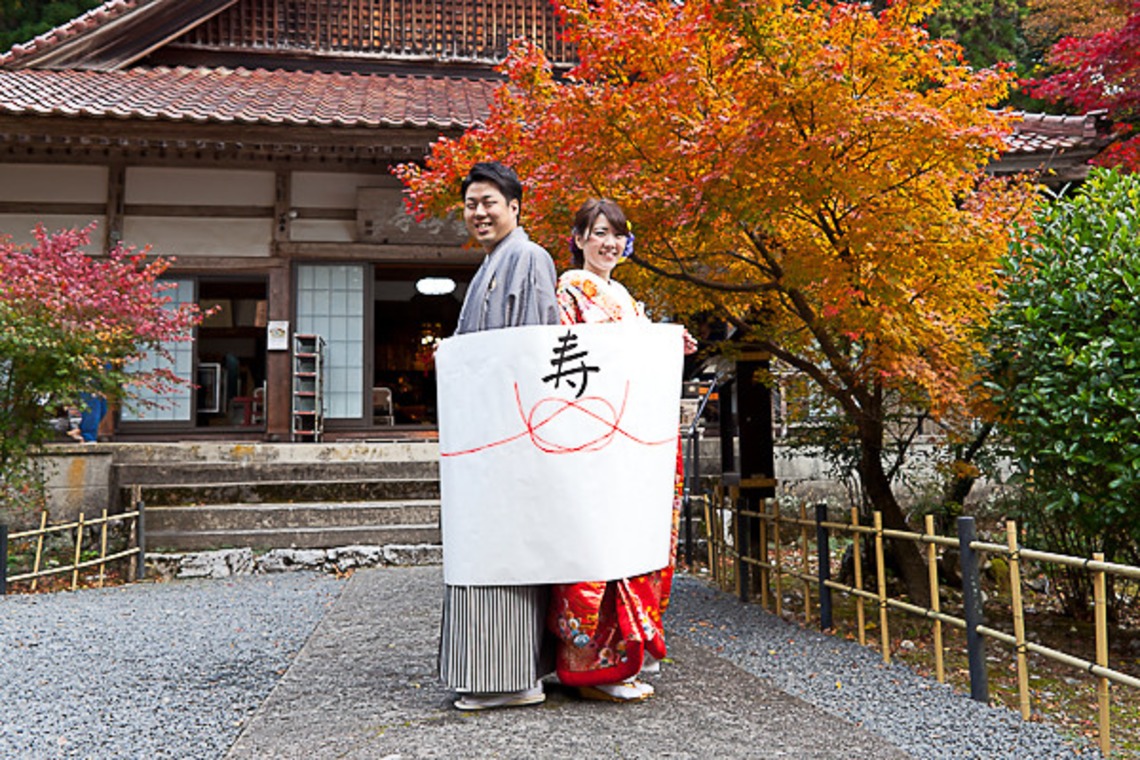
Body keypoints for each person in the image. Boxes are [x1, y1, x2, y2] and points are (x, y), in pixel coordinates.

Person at [547, 198, 696, 702]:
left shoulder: (624, 295)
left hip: (634, 433)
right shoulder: (570, 288)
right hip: (599, 430)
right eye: (598, 232)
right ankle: (594, 667)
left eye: (616, 234)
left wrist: (667, 344)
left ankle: (628, 654)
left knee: (636, 541)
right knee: (599, 547)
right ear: (579, 238)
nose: (608, 243)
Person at [439, 161, 560, 710]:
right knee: (482, 549)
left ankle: (512, 679)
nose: (479, 212)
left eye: (489, 201)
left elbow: (534, 346)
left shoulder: (529, 258)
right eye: (471, 204)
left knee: (504, 551)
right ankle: (492, 673)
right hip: (486, 429)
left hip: (509, 429)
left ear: (515, 206)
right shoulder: (491, 263)